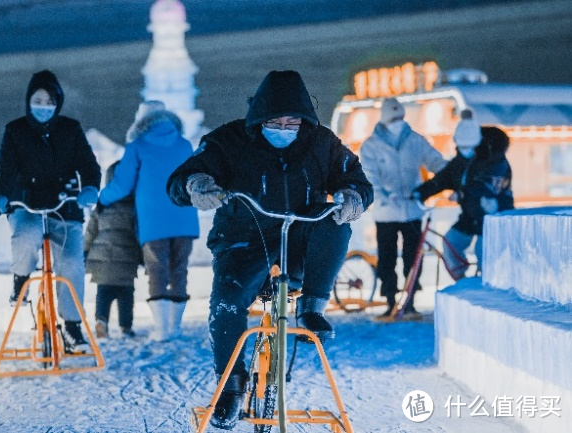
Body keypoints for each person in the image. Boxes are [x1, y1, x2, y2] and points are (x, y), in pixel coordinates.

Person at [167, 70, 373, 430]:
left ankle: (312, 306)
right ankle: (231, 383)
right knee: (228, 303)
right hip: (244, 240)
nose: (284, 128)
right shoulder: (227, 141)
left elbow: (354, 177)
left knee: (335, 223)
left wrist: (353, 197)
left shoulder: (321, 143)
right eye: (275, 122)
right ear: (259, 117)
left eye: (292, 122)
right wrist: (197, 184)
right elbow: (184, 177)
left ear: (305, 119)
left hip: (300, 241)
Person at [0, 69, 101, 353]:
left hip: (64, 204)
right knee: (25, 235)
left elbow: (89, 166)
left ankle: (73, 326)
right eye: (37, 101)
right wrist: (0, 195)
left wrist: (89, 187)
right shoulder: (15, 131)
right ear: (28, 102)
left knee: (72, 262)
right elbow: (5, 169)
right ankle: (21, 279)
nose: (42, 107)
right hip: (26, 201)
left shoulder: (70, 129)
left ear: (58, 103)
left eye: (48, 102)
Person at [98, 100, 199, 342]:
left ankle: (161, 328)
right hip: (185, 217)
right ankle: (175, 327)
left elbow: (122, 185)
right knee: (179, 271)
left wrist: (102, 198)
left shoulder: (137, 146)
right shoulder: (184, 144)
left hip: (153, 220)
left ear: (140, 121)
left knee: (157, 271)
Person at [359, 97, 446, 319]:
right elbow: (369, 177)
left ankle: (410, 301)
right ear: (385, 119)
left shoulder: (416, 141)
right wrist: (385, 196)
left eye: (400, 116)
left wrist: (448, 180)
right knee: (387, 258)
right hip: (385, 212)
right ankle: (390, 300)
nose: (398, 120)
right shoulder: (370, 146)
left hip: (412, 209)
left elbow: (437, 163)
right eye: (394, 117)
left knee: (413, 257)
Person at [413, 111, 514, 279]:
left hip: (494, 217)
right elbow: (444, 178)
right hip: (470, 215)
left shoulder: (495, 160)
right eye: (462, 147)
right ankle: (462, 282)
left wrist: (462, 194)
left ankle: (487, 284)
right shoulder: (460, 162)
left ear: (478, 144)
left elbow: (487, 186)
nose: (465, 151)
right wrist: (421, 192)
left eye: (469, 147)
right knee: (451, 242)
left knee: (484, 252)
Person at [84, 161, 144, 339]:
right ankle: (125, 327)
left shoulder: (101, 206)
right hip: (126, 256)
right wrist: (143, 257)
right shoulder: (134, 207)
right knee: (126, 295)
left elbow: (90, 232)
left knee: (103, 292)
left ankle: (101, 320)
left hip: (102, 258)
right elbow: (139, 234)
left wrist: (85, 252)